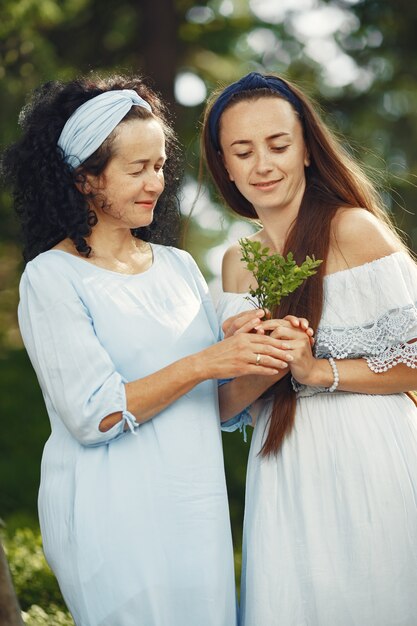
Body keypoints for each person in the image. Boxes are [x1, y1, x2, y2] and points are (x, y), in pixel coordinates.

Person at [1, 74, 311, 626]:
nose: (157, 183)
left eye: (161, 165)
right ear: (85, 179)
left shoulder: (178, 266)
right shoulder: (52, 277)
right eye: (137, 169)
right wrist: (205, 361)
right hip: (112, 514)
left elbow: (216, 405)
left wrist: (265, 354)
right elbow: (93, 414)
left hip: (196, 510)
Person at [202, 71, 417, 626]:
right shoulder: (235, 262)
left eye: (278, 145)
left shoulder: (355, 229)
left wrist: (317, 369)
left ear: (306, 149)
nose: (263, 165)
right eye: (242, 152)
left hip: (370, 453)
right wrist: (260, 360)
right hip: (283, 467)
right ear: (226, 166)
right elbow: (225, 407)